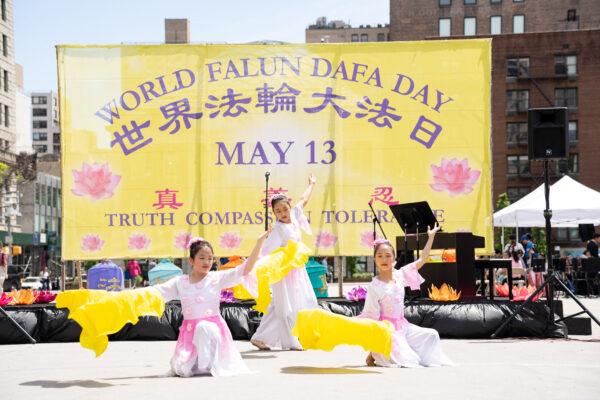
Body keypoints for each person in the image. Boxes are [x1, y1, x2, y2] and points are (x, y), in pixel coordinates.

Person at [57, 232, 269, 378]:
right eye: (202, 257)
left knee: (205, 329)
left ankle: (211, 362)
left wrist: (259, 242)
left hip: (213, 330)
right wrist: (125, 298)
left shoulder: (216, 278)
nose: (207, 262)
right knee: (182, 370)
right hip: (189, 333)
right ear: (192, 260)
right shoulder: (181, 282)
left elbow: (245, 269)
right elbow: (154, 292)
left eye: (210, 258)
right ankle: (194, 361)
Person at [361, 223, 453, 368]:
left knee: (432, 335)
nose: (384, 259)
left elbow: (422, 259)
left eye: (387, 255)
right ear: (374, 260)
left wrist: (431, 237)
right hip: (388, 331)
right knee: (409, 360)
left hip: (403, 326)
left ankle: (381, 352)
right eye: (380, 256)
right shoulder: (374, 286)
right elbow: (370, 315)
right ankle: (375, 352)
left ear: (394, 258)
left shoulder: (400, 275)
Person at [250, 174, 319, 351]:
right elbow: (266, 251)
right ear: (274, 213)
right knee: (284, 307)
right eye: (278, 211)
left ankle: (261, 337)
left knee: (303, 300)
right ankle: (290, 341)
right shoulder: (278, 229)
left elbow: (304, 200)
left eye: (284, 209)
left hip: (297, 269)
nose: (282, 213)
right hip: (283, 272)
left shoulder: (295, 215)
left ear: (289, 206)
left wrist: (311, 183)